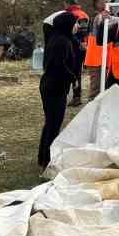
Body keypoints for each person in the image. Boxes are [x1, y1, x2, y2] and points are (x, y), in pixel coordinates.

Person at [38, 11, 81, 168]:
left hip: (53, 85)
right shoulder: (61, 42)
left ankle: (44, 157)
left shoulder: (60, 38)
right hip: (54, 87)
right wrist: (73, 79)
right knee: (53, 124)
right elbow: (59, 65)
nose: (77, 26)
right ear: (67, 25)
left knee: (51, 123)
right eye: (75, 23)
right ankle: (47, 159)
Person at [83, 0, 112, 100]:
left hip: (102, 58)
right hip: (96, 59)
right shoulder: (98, 17)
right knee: (96, 89)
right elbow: (100, 21)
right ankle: (92, 111)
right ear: (97, 5)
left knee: (103, 88)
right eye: (104, 1)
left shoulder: (101, 16)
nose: (107, 3)